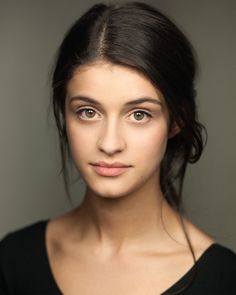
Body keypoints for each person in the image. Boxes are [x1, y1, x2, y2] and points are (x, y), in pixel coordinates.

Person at [0, 2, 235, 294]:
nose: (109, 144)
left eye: (139, 114)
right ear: (64, 113)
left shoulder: (224, 280)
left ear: (177, 120)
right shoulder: (13, 260)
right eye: (88, 112)